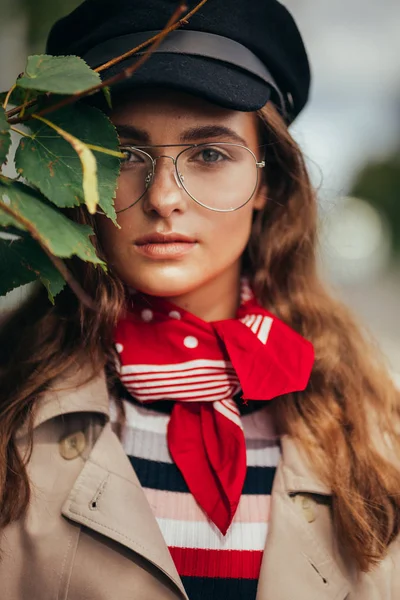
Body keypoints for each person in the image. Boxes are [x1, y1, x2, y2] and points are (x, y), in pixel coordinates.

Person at [1, 1, 400, 599]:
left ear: (268, 180)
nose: (163, 197)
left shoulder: (370, 421)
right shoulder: (10, 395)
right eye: (125, 155)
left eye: (210, 154)